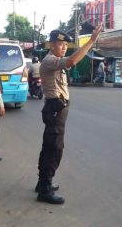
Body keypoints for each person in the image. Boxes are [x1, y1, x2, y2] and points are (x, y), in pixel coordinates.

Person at [35, 24, 102, 204]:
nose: (64, 48)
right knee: (54, 148)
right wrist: (92, 41)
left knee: (48, 145)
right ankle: (45, 189)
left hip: (57, 108)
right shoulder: (49, 60)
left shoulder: (54, 60)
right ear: (51, 45)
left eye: (65, 45)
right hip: (55, 108)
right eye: (60, 44)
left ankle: (42, 183)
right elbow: (72, 61)